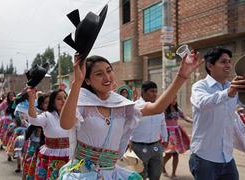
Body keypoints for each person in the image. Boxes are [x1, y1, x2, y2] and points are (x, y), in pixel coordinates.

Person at [58, 51, 202, 180]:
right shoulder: (81, 103)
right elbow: (65, 124)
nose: (107, 77)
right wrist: (77, 82)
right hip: (83, 174)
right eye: (99, 74)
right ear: (87, 80)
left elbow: (157, 108)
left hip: (112, 173)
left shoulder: (123, 105)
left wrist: (182, 76)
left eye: (109, 70)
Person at [189, 47, 245, 180]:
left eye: (229, 61)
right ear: (210, 65)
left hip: (227, 156)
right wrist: (228, 93)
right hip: (204, 157)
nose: (228, 65)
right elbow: (203, 103)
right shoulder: (200, 86)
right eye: (223, 62)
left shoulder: (232, 87)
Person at [27, 89, 70, 180]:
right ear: (53, 102)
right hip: (51, 155)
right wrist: (31, 99)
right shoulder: (47, 115)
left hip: (70, 155)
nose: (63, 101)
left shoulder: (73, 115)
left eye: (65, 98)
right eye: (59, 99)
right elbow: (33, 119)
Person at [130, 81, 168, 180]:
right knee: (139, 176)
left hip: (156, 146)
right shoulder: (135, 106)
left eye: (156, 91)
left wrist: (165, 138)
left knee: (156, 175)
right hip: (138, 147)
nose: (155, 94)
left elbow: (163, 123)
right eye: (152, 91)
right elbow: (128, 126)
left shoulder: (159, 107)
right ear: (143, 91)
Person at [163, 95, 192, 179]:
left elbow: (185, 118)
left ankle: (173, 173)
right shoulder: (164, 110)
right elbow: (160, 121)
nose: (174, 100)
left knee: (175, 154)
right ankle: (162, 166)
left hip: (176, 133)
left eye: (175, 98)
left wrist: (195, 121)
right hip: (168, 133)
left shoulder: (177, 109)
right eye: (172, 98)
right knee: (168, 154)